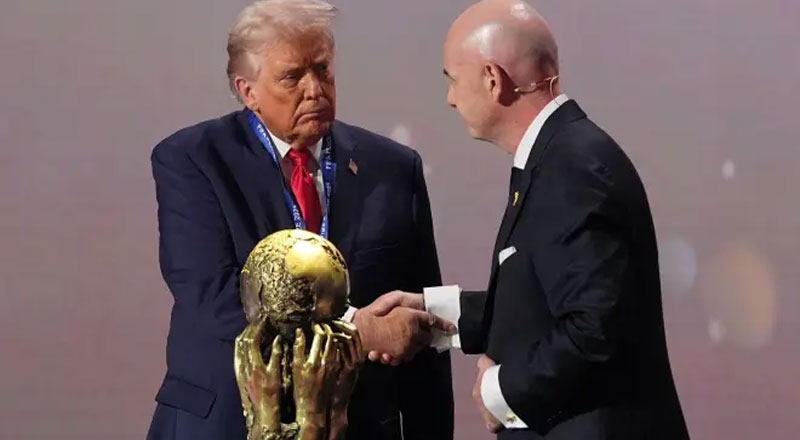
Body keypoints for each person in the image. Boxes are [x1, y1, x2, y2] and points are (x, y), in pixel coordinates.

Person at [370, 0, 690, 438]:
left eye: (453, 80)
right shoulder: (559, 155)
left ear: (492, 79)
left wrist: (499, 392)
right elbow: (545, 298)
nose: (450, 99)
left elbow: (593, 330)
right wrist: (436, 315)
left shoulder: (572, 169)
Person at [146, 1, 453, 439]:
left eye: (323, 69)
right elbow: (214, 299)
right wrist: (356, 331)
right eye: (292, 77)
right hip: (228, 422)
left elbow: (421, 321)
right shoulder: (192, 160)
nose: (315, 90)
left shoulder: (393, 168)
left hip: (358, 424)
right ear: (248, 91)